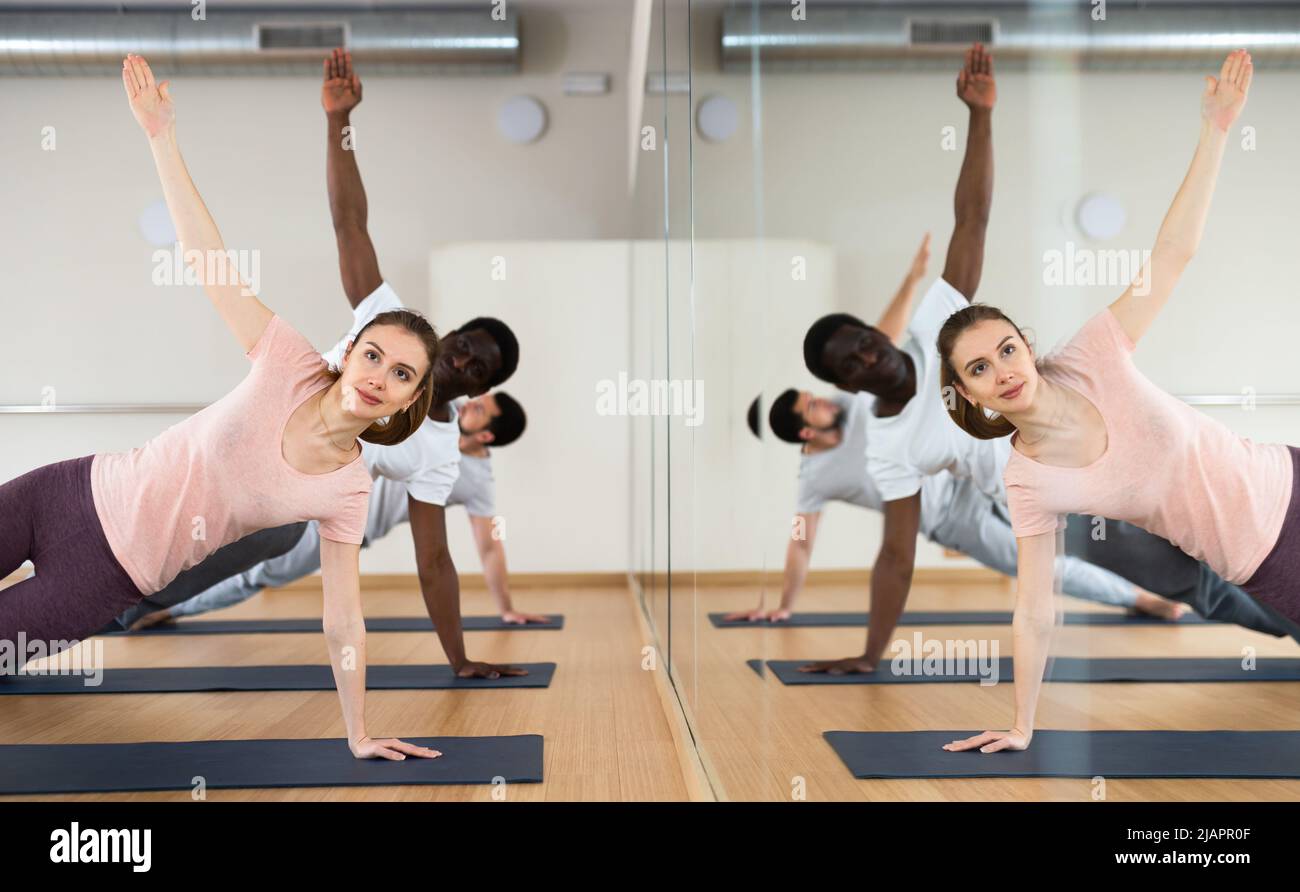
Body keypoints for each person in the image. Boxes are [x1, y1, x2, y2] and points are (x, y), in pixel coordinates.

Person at [0, 55, 440, 761]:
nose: (378, 377)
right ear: (350, 350)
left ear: (410, 399)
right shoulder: (288, 360)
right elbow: (208, 257)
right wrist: (160, 135)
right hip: (65, 490)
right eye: (373, 356)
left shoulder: (347, 488)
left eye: (400, 375)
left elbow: (344, 620)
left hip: (110, 576)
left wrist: (357, 731)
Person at [937, 51, 1284, 754]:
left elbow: (1174, 253)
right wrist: (1022, 722)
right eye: (980, 368)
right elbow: (1033, 611)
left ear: (1026, 346)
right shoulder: (1028, 478)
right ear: (967, 393)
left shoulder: (1093, 352)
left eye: (1007, 349)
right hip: (1261, 560)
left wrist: (1216, 130)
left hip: (1288, 477)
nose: (1002, 370)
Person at [128, 393, 548, 627]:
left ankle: (169, 609)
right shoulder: (436, 413)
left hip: (343, 531)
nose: (467, 403)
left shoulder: (476, 480)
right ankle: (139, 581)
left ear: (487, 434)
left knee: (259, 576)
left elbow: (489, 547)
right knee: (226, 535)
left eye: (479, 409)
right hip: (315, 484)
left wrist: (506, 608)